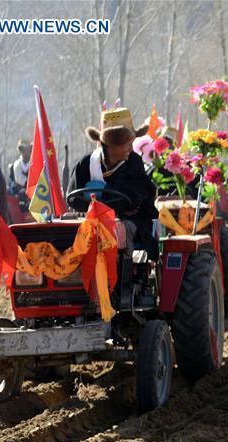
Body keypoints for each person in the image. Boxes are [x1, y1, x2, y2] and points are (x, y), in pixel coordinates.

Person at [70, 107, 156, 306]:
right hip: (91, 221)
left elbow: (134, 199)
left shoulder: (134, 163)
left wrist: (99, 202)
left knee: (121, 230)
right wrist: (109, 204)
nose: (130, 148)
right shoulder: (86, 164)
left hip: (132, 220)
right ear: (110, 144)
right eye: (127, 144)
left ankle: (122, 291)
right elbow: (72, 198)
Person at [8, 139, 32, 214]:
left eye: (27, 150)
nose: (25, 152)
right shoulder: (17, 164)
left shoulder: (33, 164)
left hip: (31, 189)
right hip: (18, 190)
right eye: (22, 150)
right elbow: (18, 179)